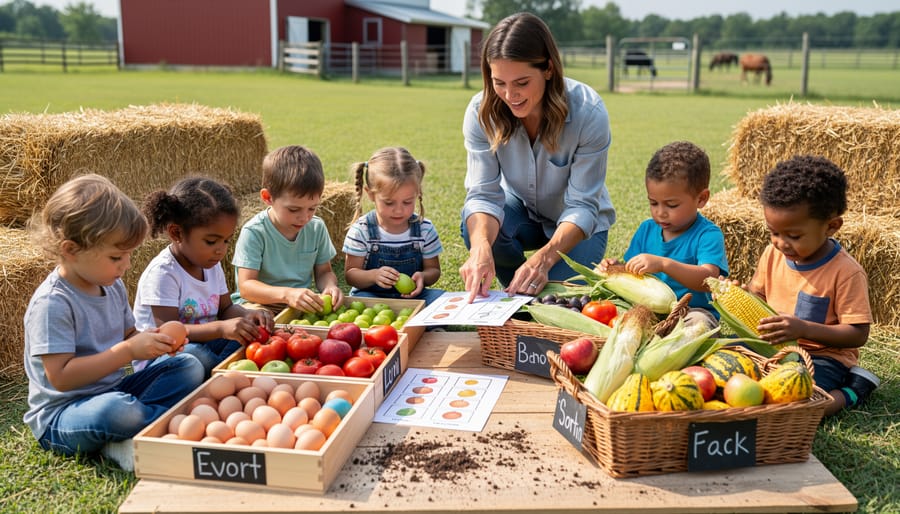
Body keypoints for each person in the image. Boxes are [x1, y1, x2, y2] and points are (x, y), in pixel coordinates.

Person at [23, 174, 204, 472]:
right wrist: (128, 352)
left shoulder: (111, 284)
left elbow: (130, 335)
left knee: (189, 365)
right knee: (118, 411)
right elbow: (61, 377)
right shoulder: (53, 303)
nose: (127, 265)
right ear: (71, 250)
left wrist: (154, 341)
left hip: (116, 391)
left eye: (128, 255)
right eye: (116, 257)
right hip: (63, 415)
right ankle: (152, 427)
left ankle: (138, 429)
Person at [459, 12, 615, 302]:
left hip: (579, 227)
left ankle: (529, 287)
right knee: (475, 232)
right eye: (499, 82)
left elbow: (582, 205)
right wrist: (480, 247)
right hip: (521, 212)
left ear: (548, 69)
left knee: (557, 303)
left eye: (521, 82)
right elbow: (483, 195)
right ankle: (515, 290)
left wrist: (543, 260)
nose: (509, 95)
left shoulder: (589, 113)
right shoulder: (481, 112)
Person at [748, 155, 877, 416]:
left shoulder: (846, 272)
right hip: (773, 348)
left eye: (793, 236)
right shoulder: (772, 255)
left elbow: (857, 334)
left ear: (832, 226)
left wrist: (803, 328)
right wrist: (738, 294)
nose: (781, 243)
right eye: (773, 232)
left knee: (800, 405)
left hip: (823, 357)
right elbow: (756, 294)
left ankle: (853, 389)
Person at [133, 177, 274, 376]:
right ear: (177, 233)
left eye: (226, 241)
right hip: (168, 358)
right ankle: (220, 373)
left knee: (248, 335)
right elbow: (169, 334)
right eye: (211, 241)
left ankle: (220, 372)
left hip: (206, 346)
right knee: (194, 356)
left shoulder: (210, 264)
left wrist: (247, 315)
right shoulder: (163, 274)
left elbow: (226, 309)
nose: (221, 250)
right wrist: (221, 329)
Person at [599, 141, 728, 326]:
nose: (660, 212)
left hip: (691, 312)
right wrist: (615, 267)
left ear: (701, 198)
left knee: (699, 323)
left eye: (671, 205)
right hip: (647, 311)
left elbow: (708, 280)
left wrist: (664, 264)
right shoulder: (647, 229)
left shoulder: (707, 235)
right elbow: (633, 271)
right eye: (653, 203)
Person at [232, 145, 344, 314]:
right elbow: (247, 286)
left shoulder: (316, 227)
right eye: (294, 210)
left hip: (296, 305)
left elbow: (324, 272)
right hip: (257, 305)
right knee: (260, 325)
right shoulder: (254, 232)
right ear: (268, 197)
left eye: (312, 208)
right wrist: (287, 294)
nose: (304, 217)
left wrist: (330, 286)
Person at [343, 147, 445, 306]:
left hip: (413, 297)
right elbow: (351, 275)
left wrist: (423, 277)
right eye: (389, 202)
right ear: (370, 194)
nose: (399, 210)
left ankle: (421, 323)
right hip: (372, 295)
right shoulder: (361, 230)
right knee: (359, 302)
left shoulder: (424, 229)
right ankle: (419, 325)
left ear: (417, 193)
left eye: (407, 202)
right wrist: (373, 276)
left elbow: (434, 270)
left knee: (442, 300)